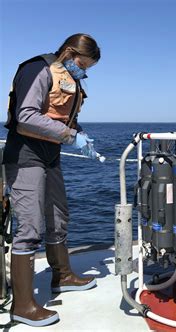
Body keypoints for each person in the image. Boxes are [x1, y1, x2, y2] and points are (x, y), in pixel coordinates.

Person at [3, 33, 101, 326]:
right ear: (70, 54)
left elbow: (61, 116)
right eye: (83, 64)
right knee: (30, 226)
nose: (83, 72)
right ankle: (22, 305)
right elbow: (27, 116)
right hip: (25, 156)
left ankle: (63, 275)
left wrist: (78, 132)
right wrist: (71, 137)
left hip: (51, 157)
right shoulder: (38, 69)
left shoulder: (70, 78)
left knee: (58, 218)